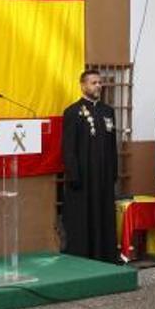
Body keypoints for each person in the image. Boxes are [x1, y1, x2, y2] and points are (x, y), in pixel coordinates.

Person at [60, 69, 120, 263]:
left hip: (103, 176)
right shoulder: (72, 112)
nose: (98, 86)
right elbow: (68, 147)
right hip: (83, 177)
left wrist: (113, 171)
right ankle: (82, 256)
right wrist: (73, 174)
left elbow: (112, 145)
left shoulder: (107, 111)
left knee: (104, 215)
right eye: (94, 83)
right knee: (83, 217)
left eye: (99, 83)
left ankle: (106, 253)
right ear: (83, 85)